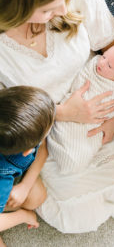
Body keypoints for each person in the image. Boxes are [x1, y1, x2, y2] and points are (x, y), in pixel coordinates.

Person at [0, 0, 114, 234]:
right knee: (76, 217)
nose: (65, 11)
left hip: (101, 100)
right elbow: (7, 117)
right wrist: (63, 113)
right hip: (42, 129)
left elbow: (113, 49)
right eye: (48, 8)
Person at [48, 43, 114, 174]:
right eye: (104, 57)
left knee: (82, 152)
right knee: (65, 132)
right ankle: (58, 144)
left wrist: (106, 115)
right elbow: (80, 79)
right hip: (74, 104)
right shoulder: (93, 65)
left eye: (109, 66)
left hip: (92, 122)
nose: (102, 64)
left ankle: (71, 157)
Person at [0, 86, 55, 247]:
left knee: (36, 196)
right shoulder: (2, 182)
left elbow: (42, 150)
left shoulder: (8, 116)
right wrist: (23, 216)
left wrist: (25, 186)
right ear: (28, 150)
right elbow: (43, 147)